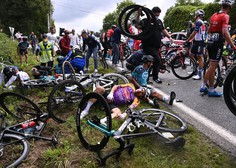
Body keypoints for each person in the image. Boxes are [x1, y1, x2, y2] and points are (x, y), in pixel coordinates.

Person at [200, 0, 236, 97]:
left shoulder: (214, 15)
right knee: (213, 66)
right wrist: (232, 45)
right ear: (229, 8)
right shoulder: (225, 16)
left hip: (210, 41)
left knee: (212, 66)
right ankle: (203, 85)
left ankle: (211, 89)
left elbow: (210, 30)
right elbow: (225, 32)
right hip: (217, 42)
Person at [185, 9, 206, 80]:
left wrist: (188, 40)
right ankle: (195, 71)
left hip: (200, 42)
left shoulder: (199, 22)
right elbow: (197, 34)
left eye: (195, 14)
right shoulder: (198, 22)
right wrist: (191, 40)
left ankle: (199, 74)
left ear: (197, 15)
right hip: (197, 41)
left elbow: (194, 33)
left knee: (200, 57)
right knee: (191, 55)